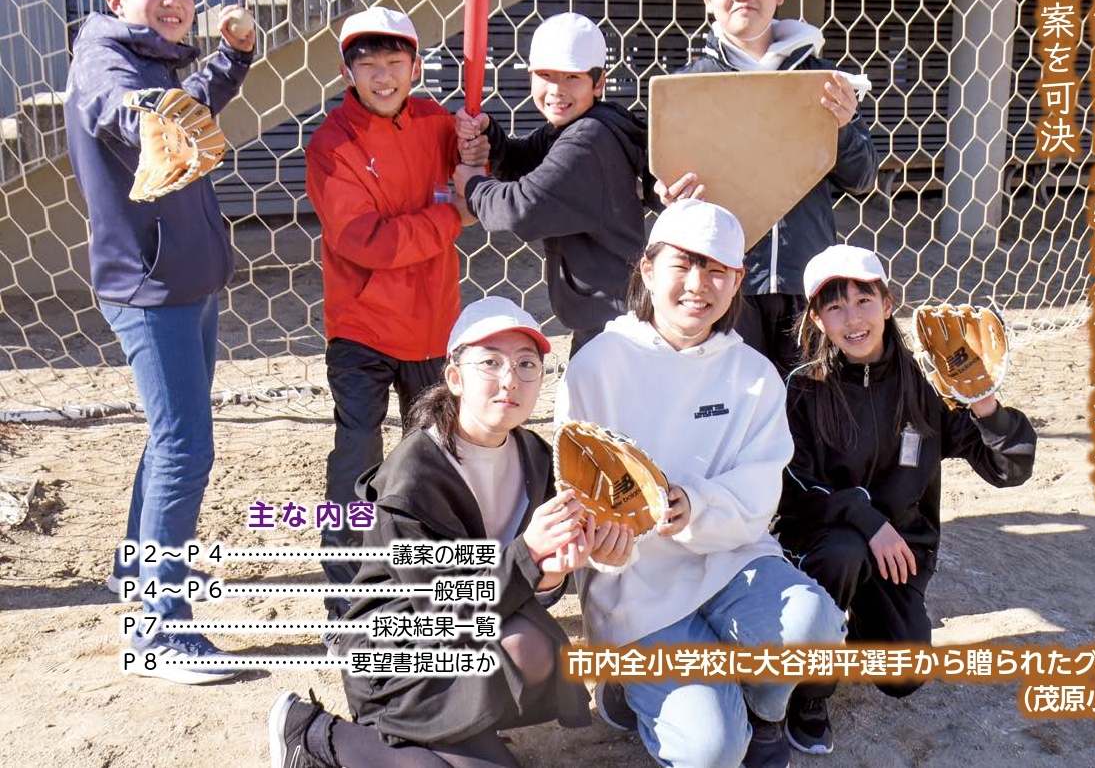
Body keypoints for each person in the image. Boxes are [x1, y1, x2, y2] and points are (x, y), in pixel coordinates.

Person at [267, 296, 622, 768]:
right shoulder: (412, 476)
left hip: (466, 638)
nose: (510, 379)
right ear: (455, 378)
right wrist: (529, 555)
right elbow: (443, 602)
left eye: (526, 364)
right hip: (398, 655)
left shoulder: (534, 456)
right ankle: (311, 733)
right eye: (490, 363)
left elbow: (527, 582)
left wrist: (554, 571)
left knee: (537, 648)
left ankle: (459, 731)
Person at [554, 199, 845, 768]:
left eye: (717, 270)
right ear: (647, 269)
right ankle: (631, 680)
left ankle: (765, 713)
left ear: (738, 281)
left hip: (730, 557)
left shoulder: (753, 375)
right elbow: (577, 486)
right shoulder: (597, 365)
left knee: (813, 624)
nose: (698, 285)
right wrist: (612, 534)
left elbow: (762, 487)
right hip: (637, 582)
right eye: (682, 265)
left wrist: (696, 505)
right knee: (711, 750)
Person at [63, 0, 256, 682]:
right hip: (150, 290)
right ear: (116, 0)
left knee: (169, 434)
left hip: (186, 283)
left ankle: (133, 568)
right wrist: (149, 109)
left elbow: (186, 108)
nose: (174, 0)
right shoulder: (105, 59)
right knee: (186, 448)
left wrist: (231, 59)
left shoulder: (154, 58)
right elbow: (122, 110)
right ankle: (158, 631)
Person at [777, 245, 1037, 754]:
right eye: (834, 306)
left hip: (901, 556)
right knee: (844, 552)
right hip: (826, 547)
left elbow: (1009, 470)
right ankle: (809, 691)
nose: (852, 319)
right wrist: (866, 519)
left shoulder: (928, 384)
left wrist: (983, 402)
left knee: (903, 676)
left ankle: (852, 634)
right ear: (817, 318)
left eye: (863, 300)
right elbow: (794, 487)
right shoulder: (803, 388)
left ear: (889, 302)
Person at [305, 7, 470, 611]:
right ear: (348, 72)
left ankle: (430, 583)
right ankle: (345, 592)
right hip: (363, 326)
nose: (381, 76)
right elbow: (364, 240)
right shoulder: (331, 145)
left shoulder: (434, 121)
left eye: (394, 63)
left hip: (433, 326)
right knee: (357, 451)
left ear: (415, 66)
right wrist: (451, 216)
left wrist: (479, 141)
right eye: (367, 64)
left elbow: (475, 169)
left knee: (432, 451)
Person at [663, 0, 879, 377]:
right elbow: (654, 182)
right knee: (730, 398)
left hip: (807, 274)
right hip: (724, 278)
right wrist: (663, 192)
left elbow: (862, 179)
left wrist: (841, 126)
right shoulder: (686, 85)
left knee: (812, 400)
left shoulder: (820, 79)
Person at [453, 12, 657, 354]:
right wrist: (490, 136)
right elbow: (522, 161)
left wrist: (473, 186)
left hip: (616, 330)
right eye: (545, 75)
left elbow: (523, 209)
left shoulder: (589, 139)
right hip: (609, 317)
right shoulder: (576, 127)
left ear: (598, 82)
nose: (556, 90)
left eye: (571, 77)